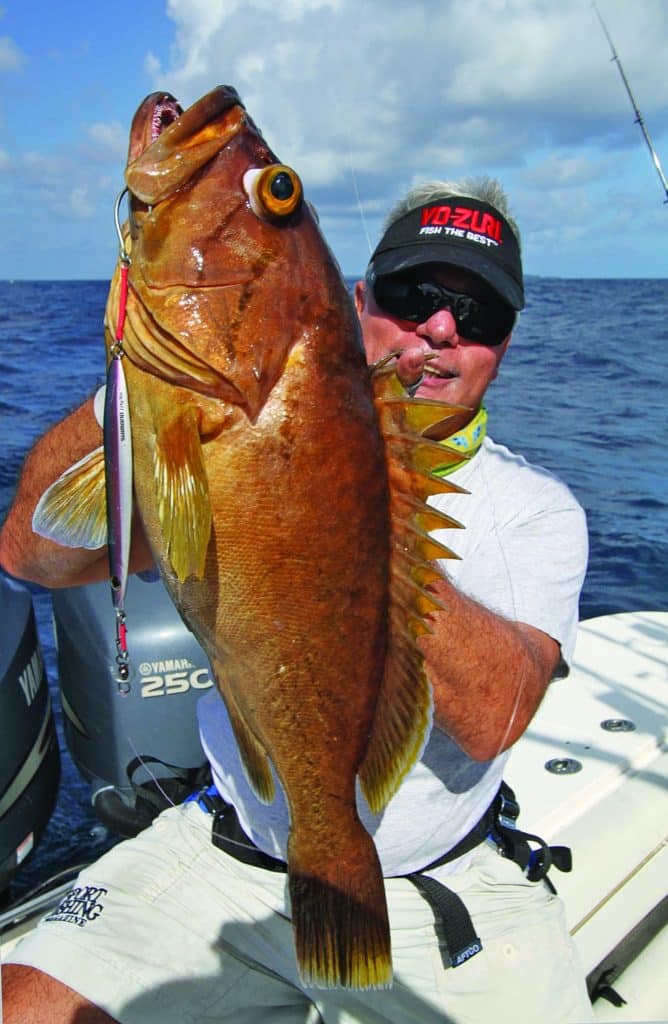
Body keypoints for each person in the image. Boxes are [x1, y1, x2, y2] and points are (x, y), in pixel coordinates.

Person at [0, 177, 591, 1023]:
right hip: (223, 854)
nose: (439, 329)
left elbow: (495, 716)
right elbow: (31, 551)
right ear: (355, 302)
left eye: (479, 315)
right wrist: (145, 379)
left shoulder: (540, 510)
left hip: (444, 887)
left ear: (504, 345)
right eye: (414, 295)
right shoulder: (225, 442)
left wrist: (360, 498)